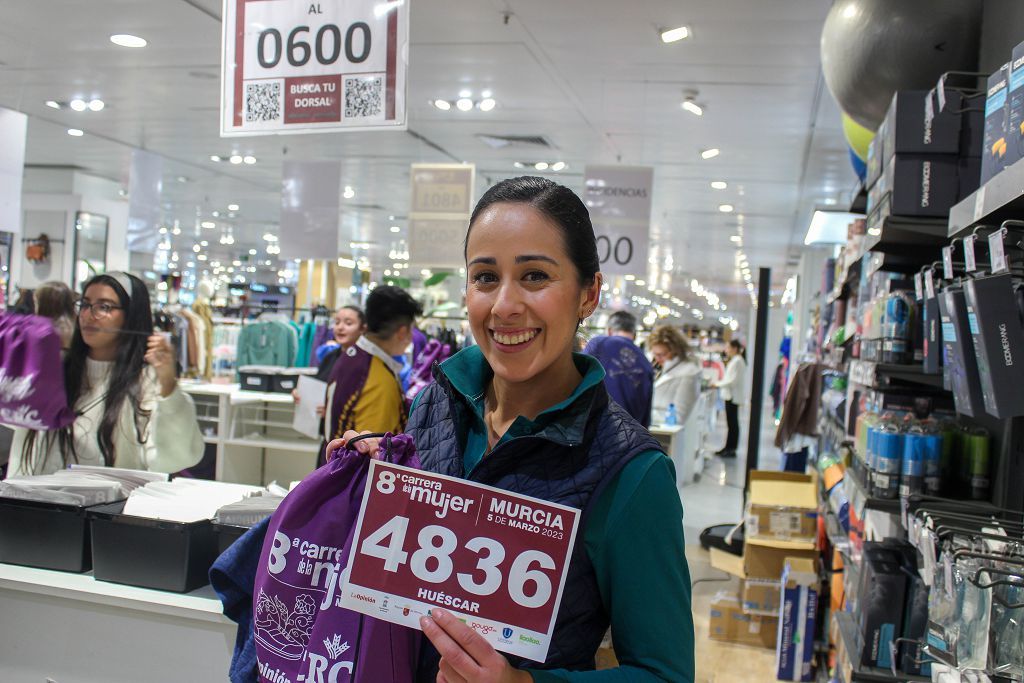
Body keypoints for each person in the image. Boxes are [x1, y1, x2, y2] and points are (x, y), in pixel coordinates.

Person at [333, 176, 694, 682]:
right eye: (485, 277)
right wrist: (371, 477)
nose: (504, 305)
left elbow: (664, 674)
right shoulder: (437, 403)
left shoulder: (631, 473)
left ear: (588, 293)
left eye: (535, 276)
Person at [6, 272, 204, 476]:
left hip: (111, 507)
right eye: (84, 304)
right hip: (38, 504)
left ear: (131, 317)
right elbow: (22, 451)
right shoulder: (54, 372)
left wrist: (168, 386)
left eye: (104, 307)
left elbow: (173, 459)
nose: (89, 315)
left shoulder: (145, 382)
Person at [323, 286, 421, 444]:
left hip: (332, 461)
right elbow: (375, 457)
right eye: (411, 330)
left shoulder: (352, 355)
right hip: (351, 468)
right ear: (402, 332)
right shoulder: (379, 381)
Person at [582, 310, 654, 427]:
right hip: (632, 436)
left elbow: (574, 379)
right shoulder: (645, 362)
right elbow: (646, 417)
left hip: (597, 430)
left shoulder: (598, 344)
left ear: (609, 330)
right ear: (634, 333)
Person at [648, 324, 702, 427]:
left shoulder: (689, 373)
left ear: (676, 350)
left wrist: (645, 414)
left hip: (667, 436)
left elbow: (678, 417)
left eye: (662, 354)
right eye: (655, 354)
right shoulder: (663, 367)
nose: (657, 359)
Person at [712, 339, 747, 458]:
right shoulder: (736, 361)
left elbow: (732, 381)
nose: (726, 350)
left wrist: (717, 384)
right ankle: (728, 447)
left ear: (735, 348)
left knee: (732, 424)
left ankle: (731, 448)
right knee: (731, 424)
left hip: (732, 396)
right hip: (730, 396)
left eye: (728, 347)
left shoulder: (738, 361)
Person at [34, 280, 76, 350]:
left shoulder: (47, 333)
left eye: (36, 303)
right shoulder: (74, 327)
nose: (35, 307)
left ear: (45, 305)